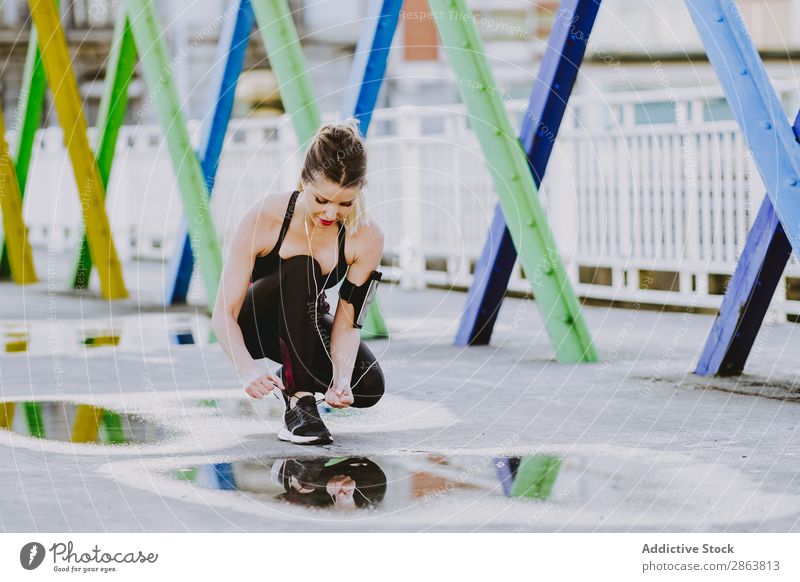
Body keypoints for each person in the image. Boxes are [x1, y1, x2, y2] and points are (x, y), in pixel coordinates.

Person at [211, 119, 385, 445]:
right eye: (321, 200)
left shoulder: (367, 237)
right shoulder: (264, 217)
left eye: (344, 203)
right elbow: (223, 313)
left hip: (305, 321)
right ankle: (298, 405)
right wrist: (247, 369)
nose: (330, 213)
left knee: (368, 385)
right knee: (304, 265)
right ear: (303, 181)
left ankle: (290, 375)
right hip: (257, 326)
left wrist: (341, 379)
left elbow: (348, 322)